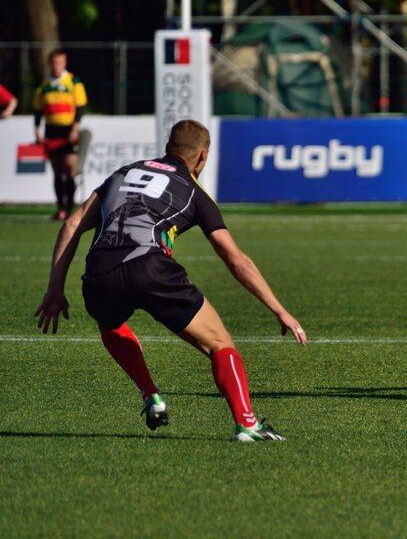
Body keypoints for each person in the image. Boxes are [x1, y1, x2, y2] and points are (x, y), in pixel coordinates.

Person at [35, 119, 308, 441]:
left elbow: (72, 225)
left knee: (110, 324)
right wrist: (278, 309)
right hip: (151, 268)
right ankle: (247, 424)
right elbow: (235, 259)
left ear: (169, 147)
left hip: (99, 272)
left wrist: (55, 288)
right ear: (202, 156)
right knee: (220, 344)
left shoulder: (123, 173)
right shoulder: (194, 191)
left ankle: (151, 396)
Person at [33, 48, 88, 221]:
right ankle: (61, 209)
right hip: (51, 131)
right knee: (57, 171)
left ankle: (69, 207)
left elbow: (80, 108)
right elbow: (37, 111)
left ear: (65, 63)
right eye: (54, 62)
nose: (57, 65)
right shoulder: (44, 85)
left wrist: (75, 128)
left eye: (60, 62)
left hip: (68, 131)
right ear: (51, 64)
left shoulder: (73, 81)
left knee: (70, 169)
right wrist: (37, 131)